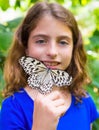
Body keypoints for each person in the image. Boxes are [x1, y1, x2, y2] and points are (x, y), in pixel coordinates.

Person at [0, 1, 99, 130]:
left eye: (63, 42)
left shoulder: (84, 100)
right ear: (26, 47)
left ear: (73, 49)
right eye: (41, 41)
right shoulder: (14, 108)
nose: (52, 52)